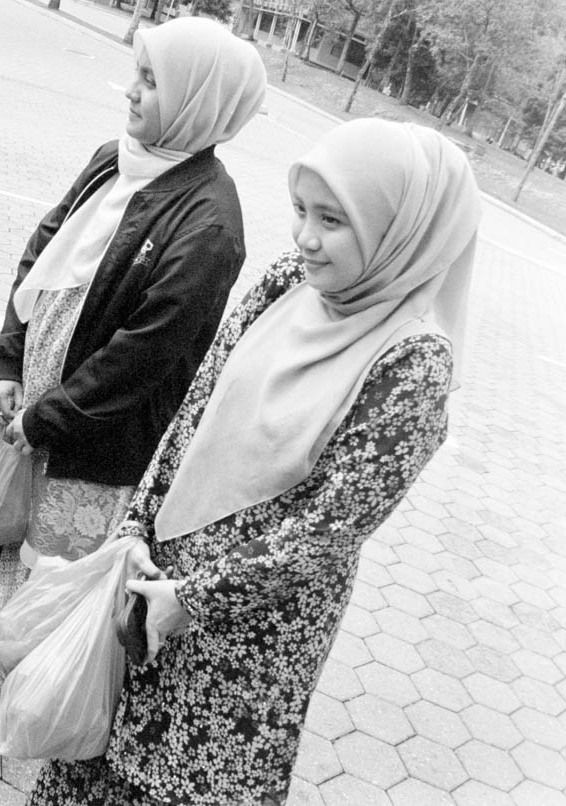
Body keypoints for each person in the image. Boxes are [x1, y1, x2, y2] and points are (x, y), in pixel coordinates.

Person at [32, 118, 475, 805]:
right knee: (80, 769)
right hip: (145, 588)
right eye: (302, 210)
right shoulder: (284, 284)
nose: (305, 237)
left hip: (241, 649)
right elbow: (192, 413)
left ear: (401, 234)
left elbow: (326, 531)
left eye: (335, 220)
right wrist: (134, 531)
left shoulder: (413, 365)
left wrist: (192, 600)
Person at [0, 17, 265, 721]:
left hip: (94, 429)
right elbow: (45, 247)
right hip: (36, 399)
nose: (131, 92)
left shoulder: (209, 224)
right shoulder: (118, 156)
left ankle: (12, 694)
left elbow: (144, 354)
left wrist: (45, 418)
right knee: (3, 522)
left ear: (196, 99)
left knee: (50, 561)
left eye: (151, 80)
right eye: (137, 73)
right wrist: (9, 358)